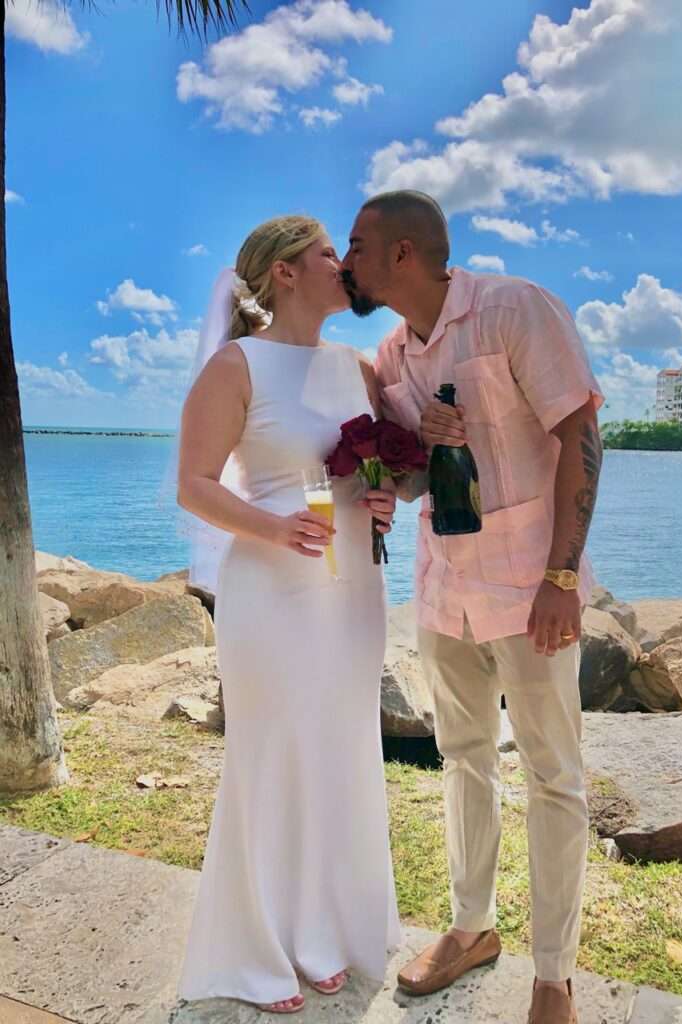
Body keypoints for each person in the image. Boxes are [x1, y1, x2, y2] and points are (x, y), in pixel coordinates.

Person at [341, 190, 604, 1024]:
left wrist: (562, 578)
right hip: (443, 588)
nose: (345, 261)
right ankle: (471, 928)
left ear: (404, 255)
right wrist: (398, 464)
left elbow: (583, 435)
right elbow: (412, 475)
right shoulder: (389, 356)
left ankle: (554, 976)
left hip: (531, 591)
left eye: (355, 245)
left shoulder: (513, 308)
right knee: (463, 760)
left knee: (554, 778)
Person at [176, 215, 400, 1015]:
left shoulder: (358, 367)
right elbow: (194, 483)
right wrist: (272, 526)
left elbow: (386, 472)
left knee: (339, 751)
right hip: (270, 593)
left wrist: (387, 496)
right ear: (284, 275)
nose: (345, 266)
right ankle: (258, 946)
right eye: (329, 255)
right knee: (273, 757)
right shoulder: (236, 365)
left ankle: (325, 929)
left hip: (353, 591)